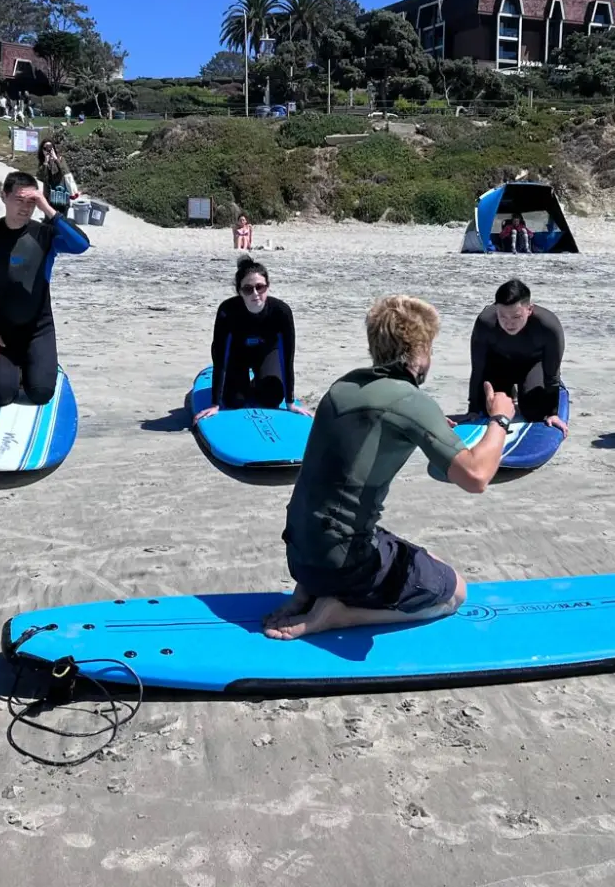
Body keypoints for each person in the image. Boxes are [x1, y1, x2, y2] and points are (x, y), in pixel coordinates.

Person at [263, 295, 516, 640]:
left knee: (424, 557)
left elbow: (373, 430)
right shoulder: (409, 400)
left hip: (301, 555)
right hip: (344, 563)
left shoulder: (344, 386)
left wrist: (427, 427)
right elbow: (476, 477)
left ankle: (310, 589)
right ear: (418, 352)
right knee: (455, 591)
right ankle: (342, 614)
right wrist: (500, 417)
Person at [0, 171, 90, 407]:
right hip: (1, 333)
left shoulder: (45, 234)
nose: (25, 208)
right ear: (4, 196)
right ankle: (14, 372)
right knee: (2, 396)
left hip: (39, 330)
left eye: (31, 202)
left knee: (40, 394)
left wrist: (48, 209)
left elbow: (81, 245)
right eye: (19, 200)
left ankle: (39, 367)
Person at [194, 258, 308, 419]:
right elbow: (220, 354)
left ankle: (256, 382)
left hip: (267, 353)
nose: (255, 293)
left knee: (271, 398)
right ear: (240, 291)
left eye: (260, 287)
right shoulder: (228, 310)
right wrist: (215, 404)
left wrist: (290, 403)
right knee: (234, 401)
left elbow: (287, 357)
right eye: (248, 289)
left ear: (267, 287)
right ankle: (243, 384)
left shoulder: (281, 312)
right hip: (236, 355)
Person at [465, 279, 568, 432]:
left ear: (529, 309)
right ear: (496, 309)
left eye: (516, 316)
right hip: (500, 364)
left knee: (535, 412)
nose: (509, 323)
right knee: (491, 410)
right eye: (503, 316)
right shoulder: (485, 322)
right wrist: (473, 407)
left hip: (533, 364)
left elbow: (552, 372)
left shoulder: (548, 326)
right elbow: (478, 368)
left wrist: (552, 413)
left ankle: (548, 389)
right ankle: (509, 391)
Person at [37, 139, 69, 210]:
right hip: (49, 197)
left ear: (53, 148)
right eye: (45, 148)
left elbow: (65, 172)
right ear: (42, 150)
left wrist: (55, 159)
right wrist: (45, 162)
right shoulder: (43, 163)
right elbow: (41, 177)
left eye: (50, 147)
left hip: (61, 195)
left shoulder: (60, 159)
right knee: (49, 219)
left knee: (61, 219)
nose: (47, 150)